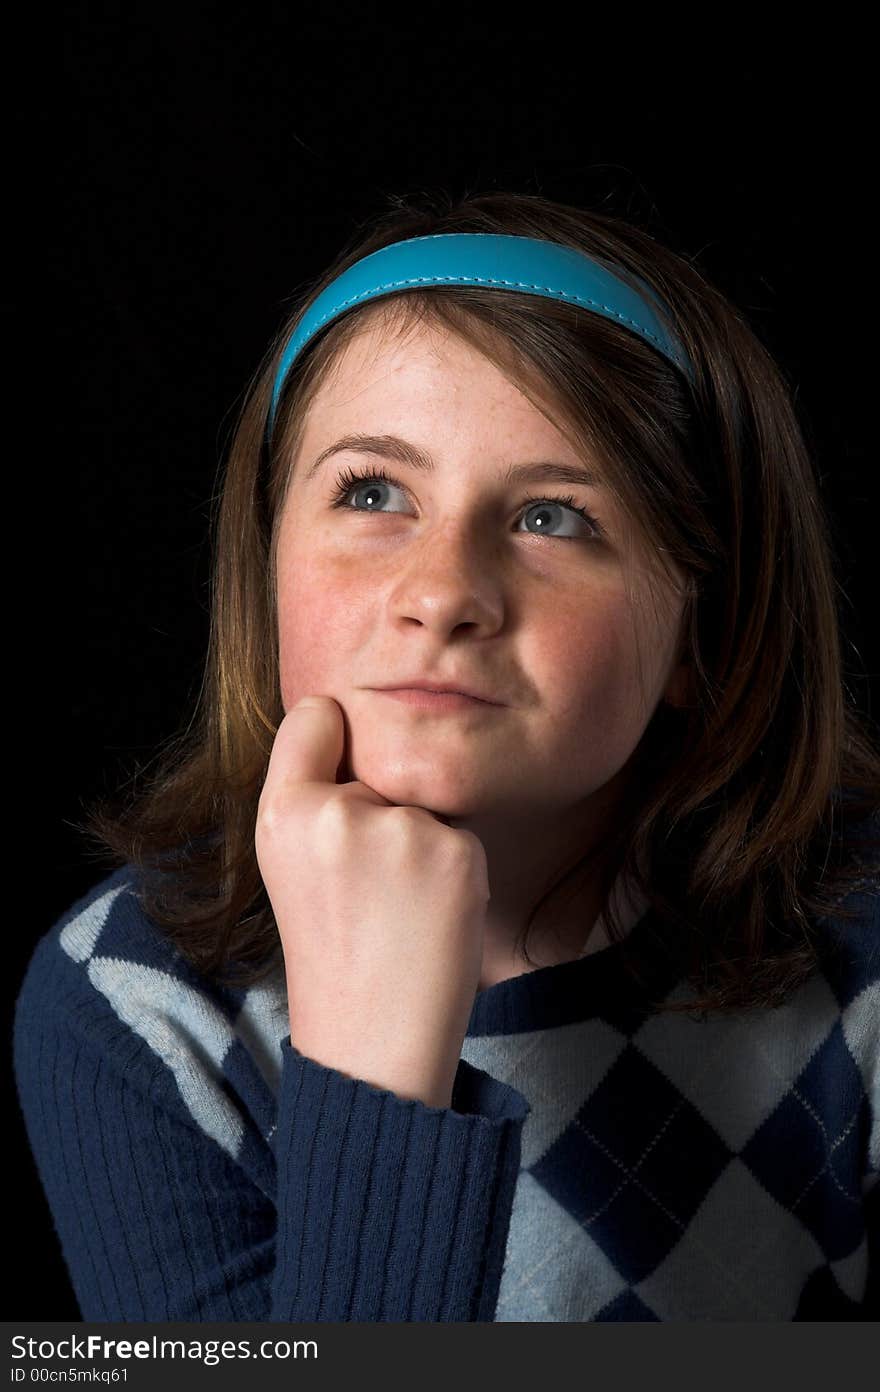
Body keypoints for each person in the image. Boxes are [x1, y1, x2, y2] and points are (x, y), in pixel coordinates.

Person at [14, 189, 879, 1322]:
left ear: (698, 635)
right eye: (373, 493)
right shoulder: (135, 1001)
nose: (441, 594)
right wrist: (373, 1078)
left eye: (553, 517)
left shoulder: (857, 947)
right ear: (266, 568)